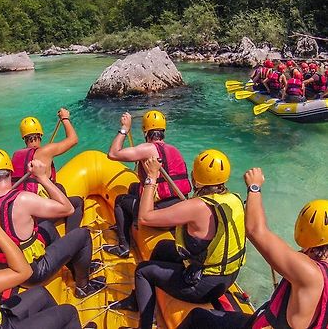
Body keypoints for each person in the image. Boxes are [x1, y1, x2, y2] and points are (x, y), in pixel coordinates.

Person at [113, 150, 246, 329]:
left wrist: (151, 176)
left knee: (142, 271)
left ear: (195, 176)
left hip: (203, 286)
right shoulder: (233, 199)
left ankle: (144, 324)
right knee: (162, 248)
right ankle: (141, 298)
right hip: (226, 278)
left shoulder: (197, 206)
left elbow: (145, 217)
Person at [178, 173, 328, 329]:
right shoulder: (310, 270)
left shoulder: (308, 273)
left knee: (197, 317)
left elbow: (255, 230)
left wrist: (254, 187)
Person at [0, 149, 105, 298]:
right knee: (83, 235)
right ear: (11, 170)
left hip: (6, 272)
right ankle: (83, 287)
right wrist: (42, 177)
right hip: (32, 274)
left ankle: (74, 266)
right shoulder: (22, 199)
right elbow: (68, 208)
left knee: (46, 227)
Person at [104, 110, 190, 258]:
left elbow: (113, 153)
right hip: (179, 211)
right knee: (133, 188)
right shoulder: (174, 150)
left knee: (120, 201)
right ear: (163, 130)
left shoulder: (147, 149)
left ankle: (123, 247)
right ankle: (129, 224)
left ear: (145, 131)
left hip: (159, 215)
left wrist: (125, 128)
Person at [12, 109, 83, 234]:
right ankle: (71, 236)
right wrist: (65, 118)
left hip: (23, 210)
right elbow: (73, 139)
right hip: (40, 214)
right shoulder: (46, 151)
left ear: (24, 138)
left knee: (59, 187)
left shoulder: (16, 155)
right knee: (77, 203)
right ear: (40, 135)